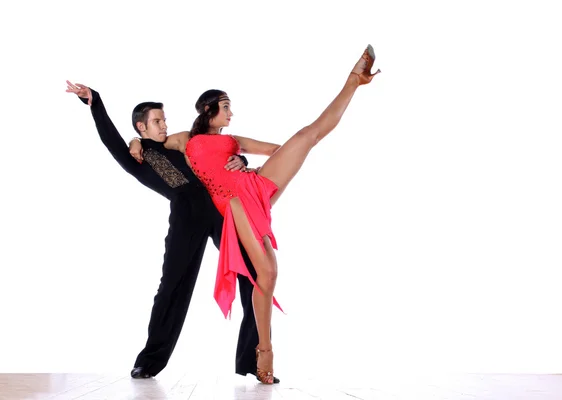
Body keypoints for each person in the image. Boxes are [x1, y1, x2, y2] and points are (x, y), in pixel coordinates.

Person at [158, 44, 380, 384]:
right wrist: (133, 143)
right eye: (226, 107)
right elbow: (154, 145)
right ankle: (265, 351)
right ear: (208, 109)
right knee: (270, 273)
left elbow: (279, 150)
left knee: (307, 136)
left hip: (254, 187)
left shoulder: (233, 140)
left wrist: (246, 161)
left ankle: (353, 81)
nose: (231, 114)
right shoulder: (186, 139)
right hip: (232, 203)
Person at [65, 82, 281, 383]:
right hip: (186, 217)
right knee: (172, 287)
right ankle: (148, 362)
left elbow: (215, 158)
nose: (164, 125)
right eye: (156, 121)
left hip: (220, 212)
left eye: (164, 119)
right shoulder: (136, 156)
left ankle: (254, 360)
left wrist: (243, 161)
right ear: (141, 127)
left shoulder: (179, 144)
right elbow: (111, 139)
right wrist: (95, 103)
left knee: (255, 275)